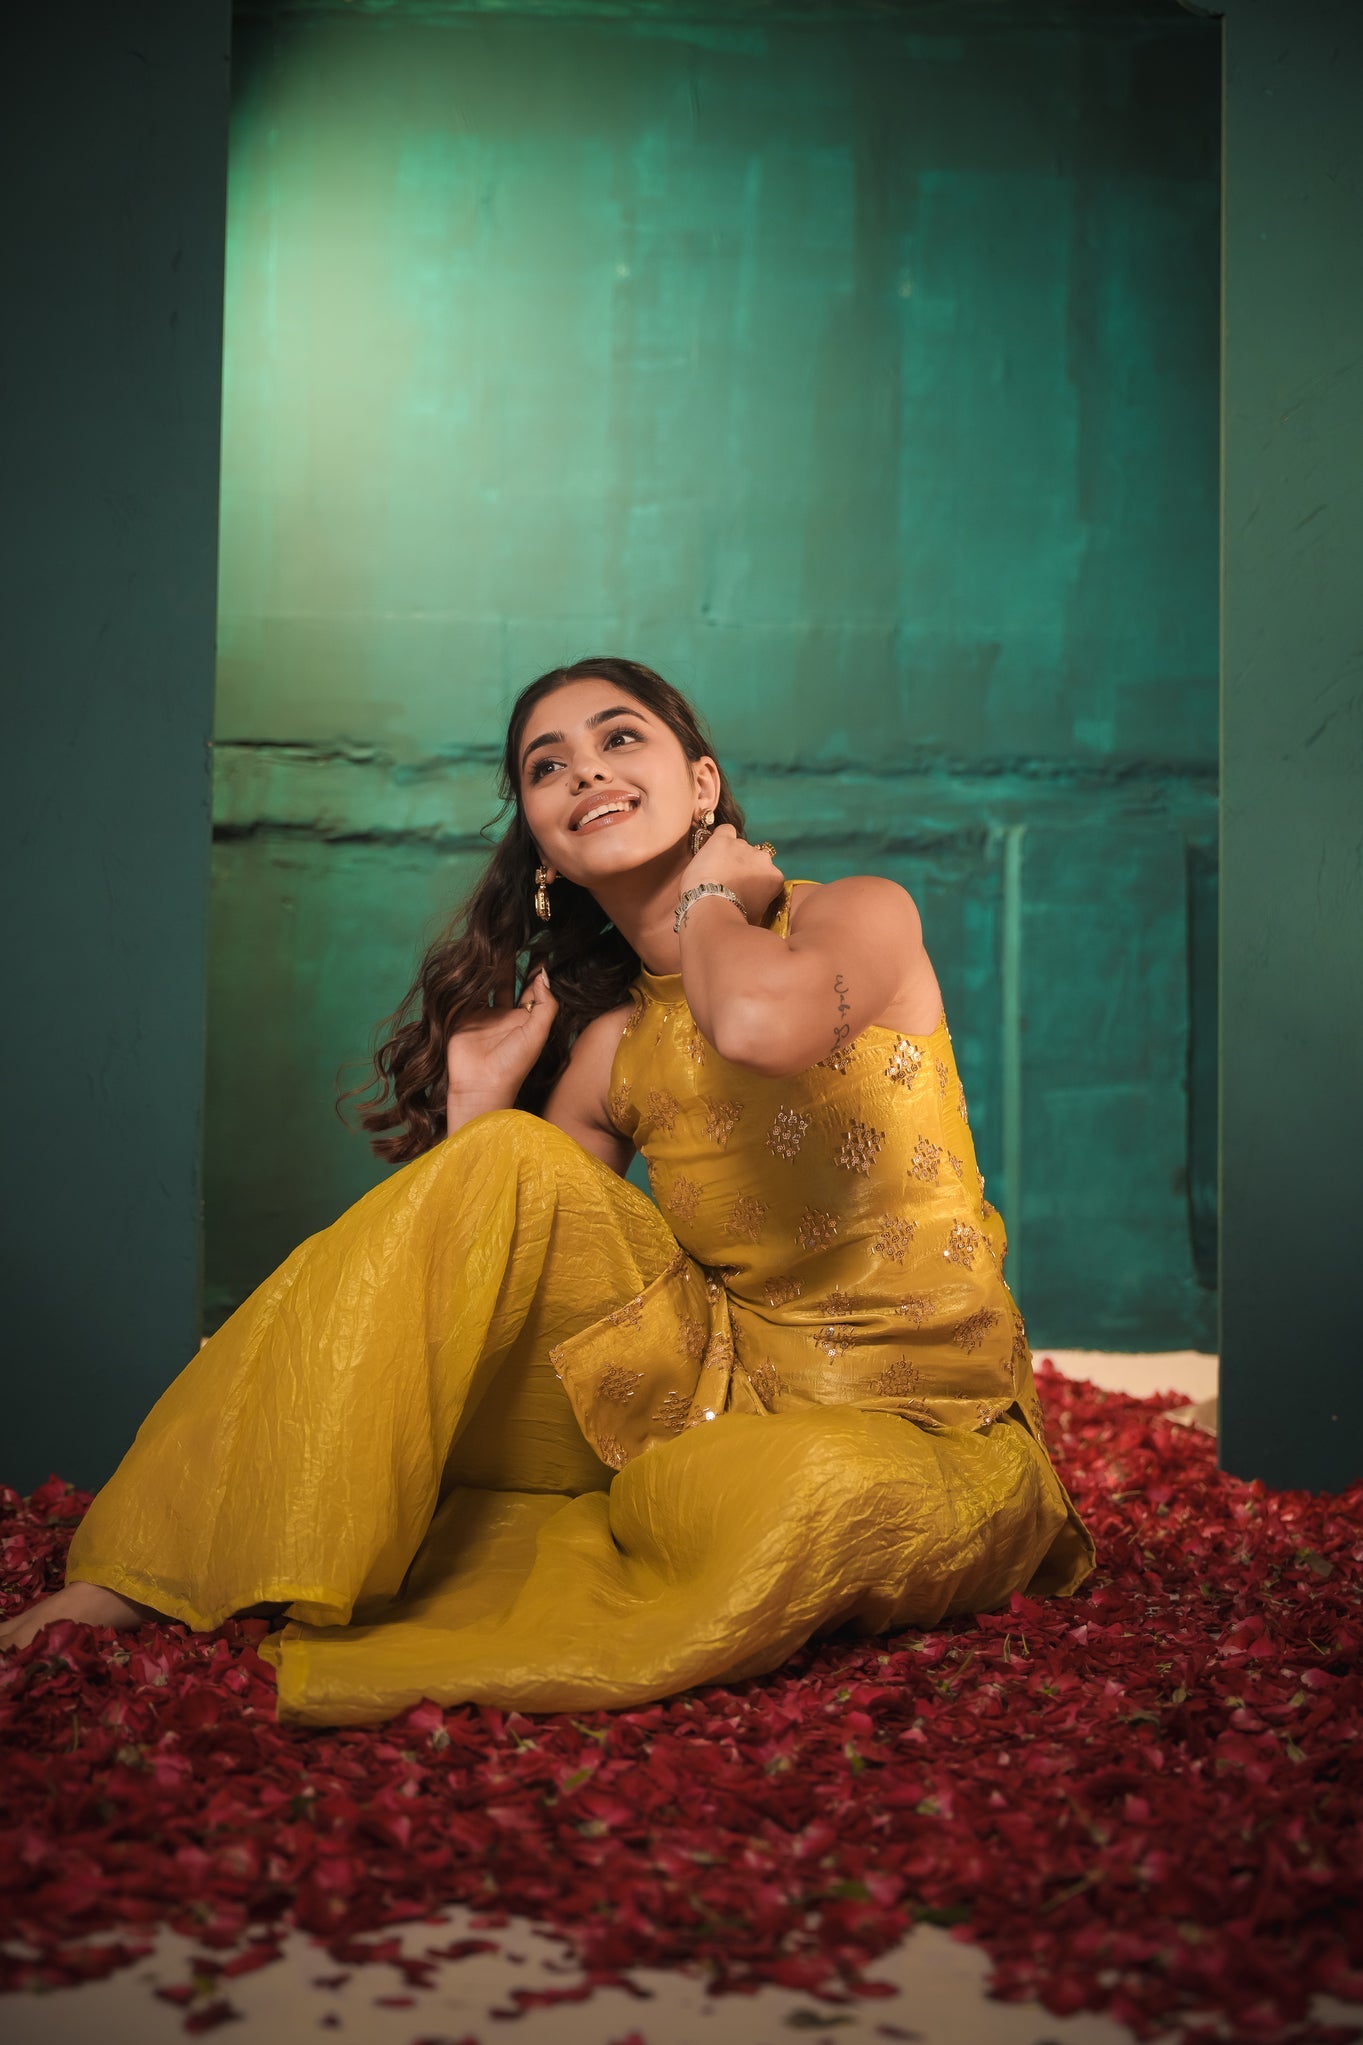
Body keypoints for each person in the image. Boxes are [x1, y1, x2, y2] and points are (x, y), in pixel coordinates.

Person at [0, 657, 1094, 1719]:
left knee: (811, 1489)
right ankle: (142, 1573)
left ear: (702, 784)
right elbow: (506, 1280)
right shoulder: (613, 1048)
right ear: (541, 846)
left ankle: (672, 1512)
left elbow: (757, 1024)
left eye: (619, 738)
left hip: (934, 1427)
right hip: (716, 1398)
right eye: (547, 764)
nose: (586, 770)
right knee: (510, 1162)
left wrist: (712, 894)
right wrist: (478, 1112)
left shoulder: (850, 915)